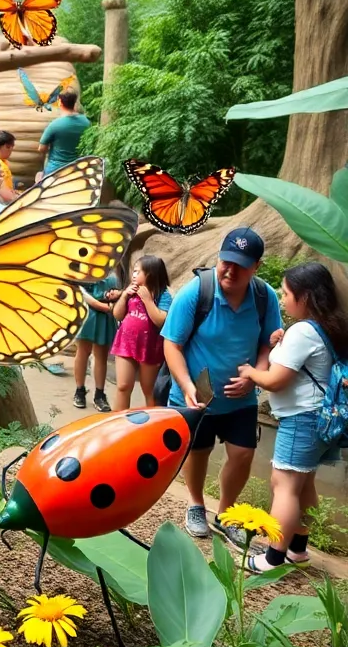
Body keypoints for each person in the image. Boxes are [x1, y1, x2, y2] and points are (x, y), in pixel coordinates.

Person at [162, 228, 283, 546]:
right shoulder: (196, 292)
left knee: (243, 454)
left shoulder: (264, 296)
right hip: (196, 393)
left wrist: (255, 375)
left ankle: (226, 514)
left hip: (240, 398)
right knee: (197, 451)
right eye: (225, 260)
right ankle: (196, 505)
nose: (230, 269)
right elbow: (172, 344)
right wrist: (186, 385)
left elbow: (267, 344)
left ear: (256, 266)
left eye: (240, 264)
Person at [235, 263, 348, 572]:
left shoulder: (303, 331)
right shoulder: (326, 326)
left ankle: (273, 557)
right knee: (302, 484)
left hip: (301, 419)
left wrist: (250, 372)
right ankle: (297, 549)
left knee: (283, 485)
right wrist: (279, 344)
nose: (282, 299)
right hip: (318, 419)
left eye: (286, 293)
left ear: (306, 296)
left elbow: (275, 380)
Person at [111, 256, 173, 410]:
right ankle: (117, 424)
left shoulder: (163, 294)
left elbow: (160, 320)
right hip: (126, 343)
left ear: (150, 274)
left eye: (137, 272)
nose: (133, 275)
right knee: (123, 386)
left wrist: (147, 300)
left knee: (149, 389)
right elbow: (117, 314)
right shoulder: (131, 291)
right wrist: (124, 295)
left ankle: (153, 425)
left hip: (149, 347)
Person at [74, 271, 122, 413]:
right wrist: (105, 307)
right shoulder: (81, 271)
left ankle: (99, 395)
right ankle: (79, 390)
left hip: (105, 317)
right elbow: (81, 293)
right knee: (82, 352)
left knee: (101, 356)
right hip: (88, 314)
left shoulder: (112, 275)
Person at [38, 90, 91, 176]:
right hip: (77, 169)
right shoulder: (86, 122)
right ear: (74, 102)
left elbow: (41, 148)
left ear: (60, 102)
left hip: (56, 170)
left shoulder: (54, 125)